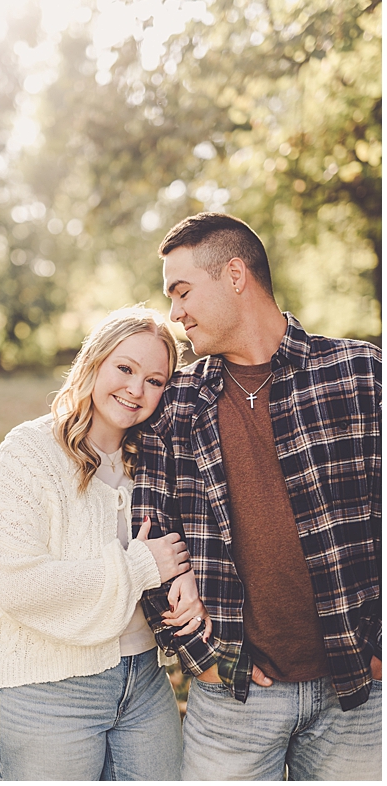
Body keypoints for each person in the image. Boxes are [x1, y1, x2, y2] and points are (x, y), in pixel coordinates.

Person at [134, 211, 381, 780]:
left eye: (182, 290)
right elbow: (146, 536)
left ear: (236, 275)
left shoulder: (361, 375)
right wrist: (206, 661)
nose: (174, 313)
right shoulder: (175, 406)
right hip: (234, 700)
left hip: (361, 693)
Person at [0, 306, 211, 781]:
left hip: (143, 682)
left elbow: (187, 544)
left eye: (155, 380)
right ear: (94, 362)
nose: (136, 389)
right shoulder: (29, 452)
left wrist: (188, 579)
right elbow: (17, 584)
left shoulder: (154, 460)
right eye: (124, 368)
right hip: (46, 688)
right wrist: (142, 566)